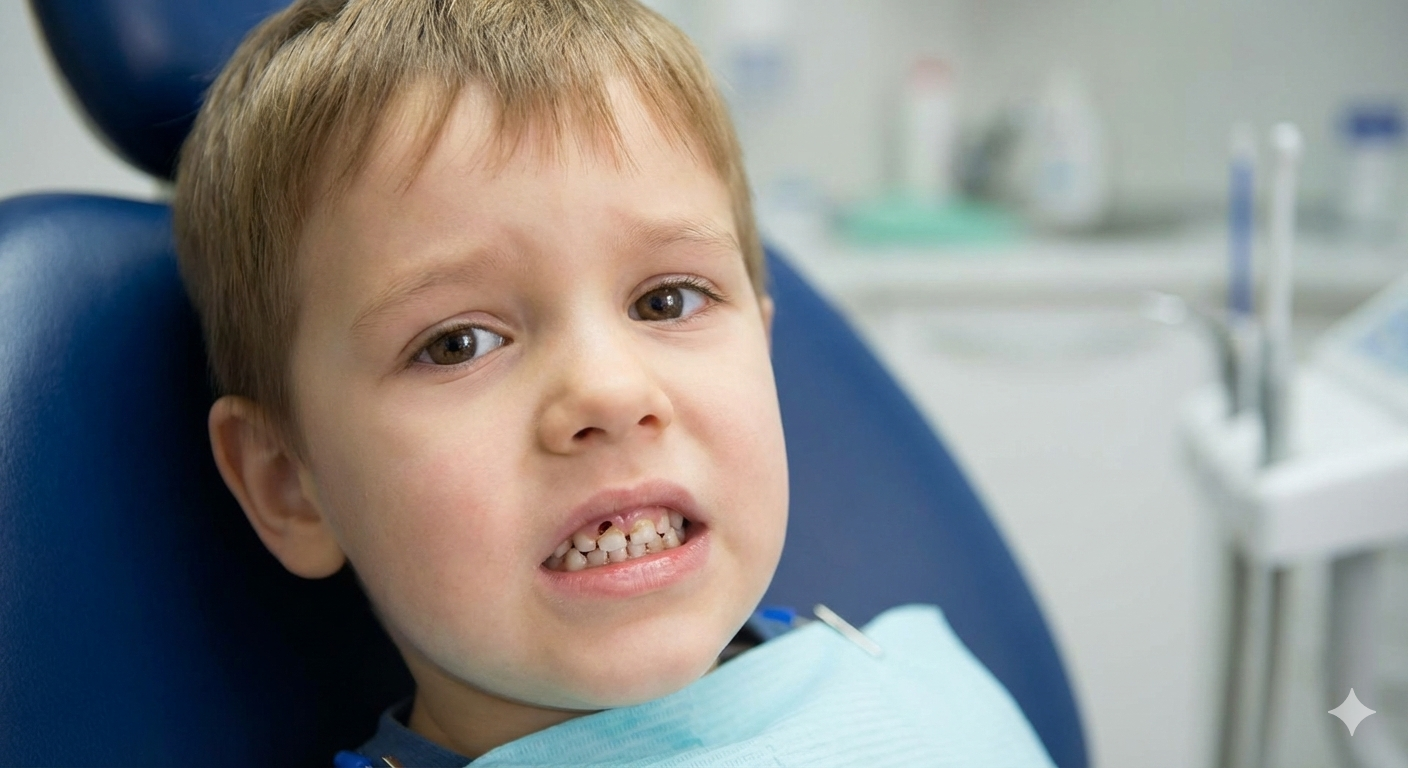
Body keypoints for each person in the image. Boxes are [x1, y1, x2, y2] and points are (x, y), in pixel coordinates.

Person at [172, 1, 1054, 764]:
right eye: (458, 343)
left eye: (668, 299)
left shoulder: (901, 682)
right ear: (289, 483)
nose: (608, 391)